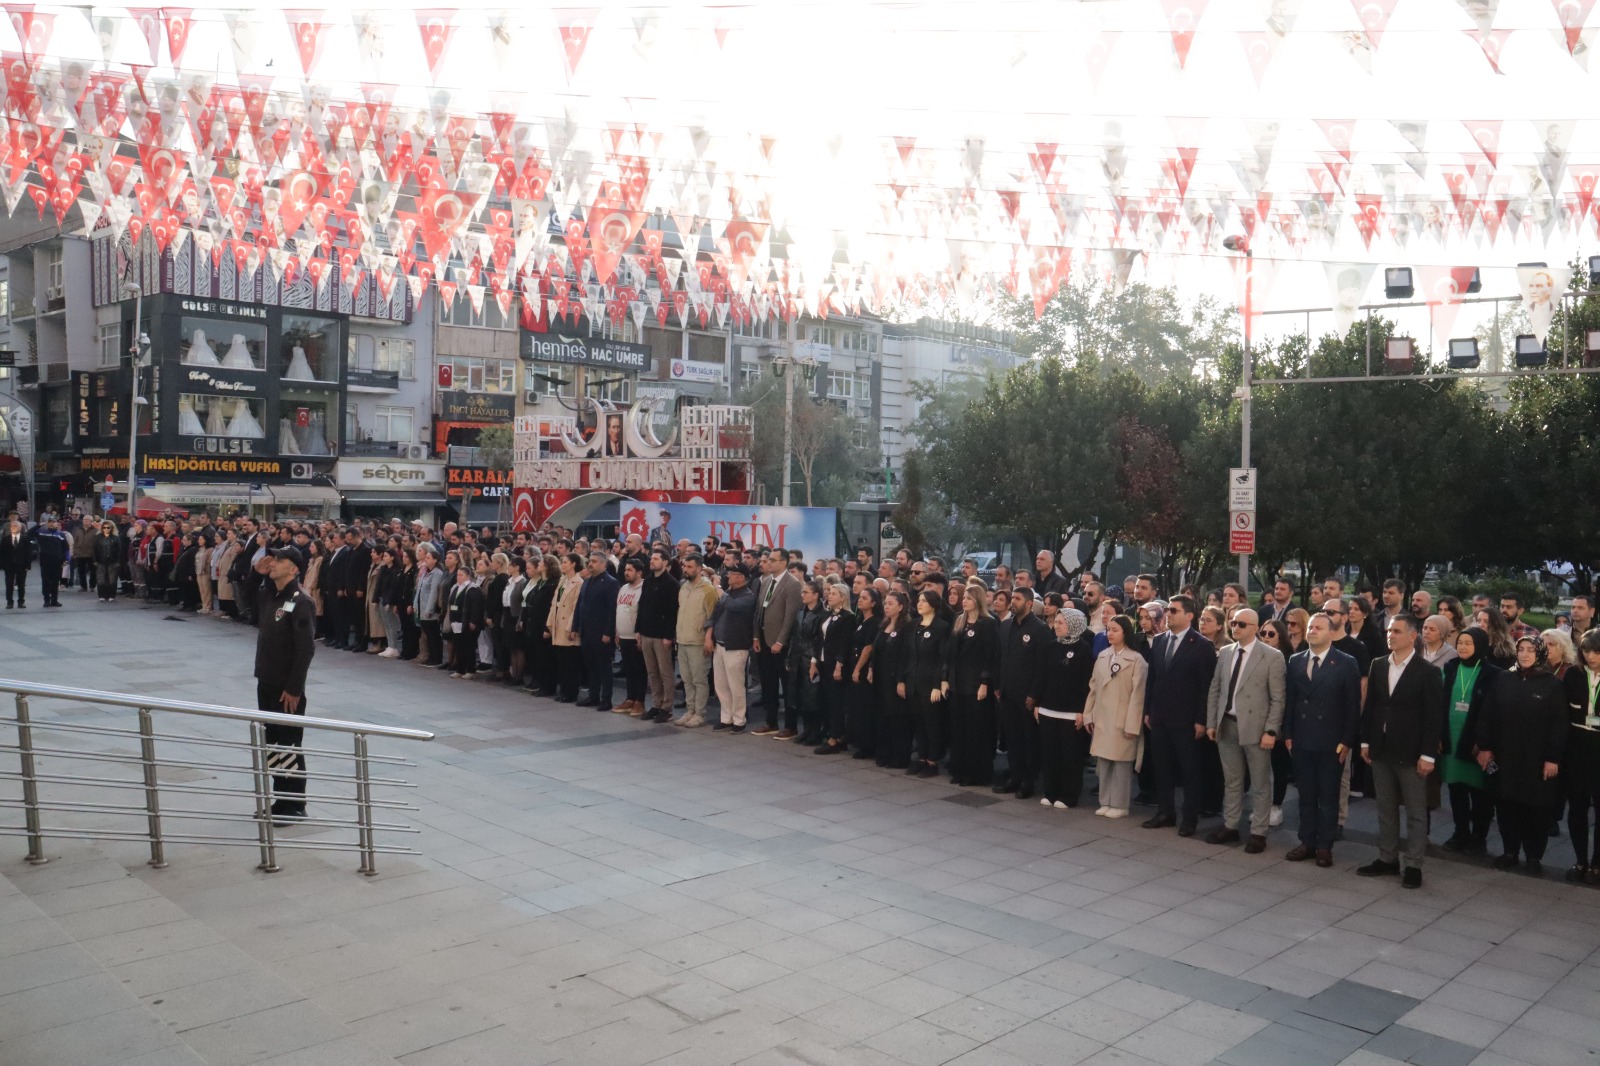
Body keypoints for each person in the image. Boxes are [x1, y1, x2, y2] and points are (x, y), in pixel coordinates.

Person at [1357, 615, 1445, 889]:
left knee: (1416, 812)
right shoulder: (1379, 664)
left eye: (1396, 631)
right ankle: (1387, 857)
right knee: (1385, 807)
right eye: (1389, 631)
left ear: (1412, 636)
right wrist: (1365, 742)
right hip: (1381, 749)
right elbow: (1372, 705)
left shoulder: (1427, 671)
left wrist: (1428, 755)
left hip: (1412, 752)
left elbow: (1434, 717)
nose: (1390, 635)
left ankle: (1414, 864)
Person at [1479, 635, 1567, 875]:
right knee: (1507, 805)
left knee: (1536, 809)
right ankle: (1510, 852)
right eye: (1521, 649)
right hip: (1506, 756)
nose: (1525, 654)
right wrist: (1485, 747)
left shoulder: (1552, 685)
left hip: (1537, 759)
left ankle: (1533, 856)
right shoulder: (1503, 678)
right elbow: (1487, 715)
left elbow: (1559, 725)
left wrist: (1553, 758)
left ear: (1539, 654)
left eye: (1530, 650)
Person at [1282, 613, 1361, 867]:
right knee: (1306, 794)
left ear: (1331, 632)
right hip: (1302, 739)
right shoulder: (1296, 660)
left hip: (1331, 741)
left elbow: (1352, 705)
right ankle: (1306, 841)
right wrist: (1289, 733)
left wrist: (1347, 740)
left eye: (1318, 628)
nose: (1312, 631)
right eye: (1311, 627)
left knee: (1328, 796)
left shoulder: (1346, 662)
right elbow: (1290, 701)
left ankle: (1325, 846)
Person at [1206, 609, 1286, 852]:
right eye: (1233, 623)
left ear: (1255, 627)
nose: (1235, 627)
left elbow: (1278, 698)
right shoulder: (1226, 652)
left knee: (1260, 783)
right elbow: (1216, 689)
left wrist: (1271, 730)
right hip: (1227, 724)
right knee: (1232, 780)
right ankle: (1230, 825)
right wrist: (1212, 722)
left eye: (1241, 624)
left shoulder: (1272, 656)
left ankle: (1258, 832)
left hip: (1255, 727)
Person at [1142, 594, 1217, 837]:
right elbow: (1152, 679)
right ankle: (1165, 812)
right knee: (1162, 768)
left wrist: (1201, 719)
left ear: (1189, 615)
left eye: (1174, 610)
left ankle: (1189, 818)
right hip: (1160, 717)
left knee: (1189, 771)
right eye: (1168, 610)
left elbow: (1206, 687)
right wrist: (1148, 710)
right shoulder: (1161, 640)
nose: (1169, 614)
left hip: (1186, 721)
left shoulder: (1202, 645)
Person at [252, 545, 315, 825]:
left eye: (280, 560)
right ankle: (281, 799)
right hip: (266, 681)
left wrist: (294, 688)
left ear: (294, 568)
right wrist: (257, 573)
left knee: (288, 744)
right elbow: (247, 597)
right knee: (273, 743)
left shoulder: (301, 600)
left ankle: (295, 804)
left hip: (285, 688)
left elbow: (305, 650)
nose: (273, 563)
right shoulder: (272, 595)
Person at [1438, 627, 1498, 855]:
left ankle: (1479, 837)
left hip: (1477, 744)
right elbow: (1439, 703)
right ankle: (1460, 831)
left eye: (1468, 643)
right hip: (1452, 740)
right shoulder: (1450, 668)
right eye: (1460, 642)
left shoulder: (1493, 673)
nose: (1462, 647)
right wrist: (1439, 734)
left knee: (1481, 794)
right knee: (1456, 790)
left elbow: (1493, 712)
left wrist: (1485, 744)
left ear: (1480, 647)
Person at [1084, 614, 1146, 819]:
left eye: (1115, 630)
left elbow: (1138, 695)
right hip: (1102, 717)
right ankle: (1105, 800)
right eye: (1108, 629)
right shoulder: (1102, 656)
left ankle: (1120, 804)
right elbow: (1092, 688)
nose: (1110, 633)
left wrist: (1132, 725)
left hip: (1122, 718)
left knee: (1121, 763)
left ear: (1125, 632)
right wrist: (1088, 715)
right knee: (1104, 763)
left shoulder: (1137, 660)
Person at [994, 588, 1049, 799]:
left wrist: (1034, 694)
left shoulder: (1040, 629)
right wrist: (998, 685)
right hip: (1007, 692)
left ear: (1028, 604)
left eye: (1017, 599)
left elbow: (1041, 666)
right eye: (1012, 598)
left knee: (1029, 740)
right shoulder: (1006, 625)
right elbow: (1000, 657)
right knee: (1013, 738)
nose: (1013, 602)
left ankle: (1028, 781)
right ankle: (1015, 777)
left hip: (1027, 695)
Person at [1038, 608, 1095, 808]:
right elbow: (1042, 676)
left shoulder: (1084, 649)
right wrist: (1037, 702)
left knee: (1070, 755)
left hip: (1071, 712)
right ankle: (1051, 791)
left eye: (1061, 623)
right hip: (1048, 708)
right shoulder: (1050, 646)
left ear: (1073, 625)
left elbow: (1085, 683)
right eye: (1057, 622)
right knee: (1050, 753)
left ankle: (1069, 795)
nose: (1056, 626)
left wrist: (1081, 710)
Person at [943, 584, 999, 784]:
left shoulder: (988, 624)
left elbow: (989, 655)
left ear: (978, 600)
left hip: (976, 683)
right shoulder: (960, 621)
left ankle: (976, 773)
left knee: (976, 729)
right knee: (958, 728)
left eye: (968, 597)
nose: (964, 600)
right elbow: (950, 654)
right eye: (964, 597)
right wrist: (945, 678)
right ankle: (959, 769)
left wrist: (985, 682)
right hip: (958, 682)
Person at [1563, 629, 1600, 883]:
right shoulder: (1574, 675)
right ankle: (1580, 860)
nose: (1591, 657)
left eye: (1597, 652)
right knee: (1576, 807)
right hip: (1576, 747)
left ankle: (1597, 863)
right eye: (1587, 651)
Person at [753, 548, 801, 736]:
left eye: (772, 560)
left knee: (787, 685)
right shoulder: (765, 582)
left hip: (781, 644)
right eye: (768, 560)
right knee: (768, 684)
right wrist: (756, 636)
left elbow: (790, 617)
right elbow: (759, 611)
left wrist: (780, 641)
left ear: (784, 562)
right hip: (764, 640)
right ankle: (770, 722)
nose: (768, 563)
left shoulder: (792, 584)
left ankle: (790, 726)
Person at [906, 589, 953, 779]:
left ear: (933, 605)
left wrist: (937, 683)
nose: (919, 604)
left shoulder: (941, 627)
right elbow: (908, 655)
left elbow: (943, 657)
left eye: (924, 601)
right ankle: (922, 758)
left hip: (930, 682)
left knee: (932, 723)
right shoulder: (914, 625)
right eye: (919, 600)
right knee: (918, 723)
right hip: (914, 680)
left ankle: (933, 761)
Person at [708, 563, 756, 732]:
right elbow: (716, 613)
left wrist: (718, 588)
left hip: (736, 646)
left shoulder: (748, 596)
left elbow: (732, 606)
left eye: (732, 574)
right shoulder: (729, 592)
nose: (728, 576)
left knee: (736, 686)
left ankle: (739, 720)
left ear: (741, 577)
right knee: (721, 685)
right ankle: (726, 717)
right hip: (720, 645)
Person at [813, 581, 860, 752]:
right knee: (827, 700)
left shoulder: (848, 617)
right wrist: (814, 661)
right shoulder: (827, 615)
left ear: (842, 598)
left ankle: (836, 737)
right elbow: (819, 639)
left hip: (836, 665)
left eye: (833, 594)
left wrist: (839, 665)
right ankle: (835, 733)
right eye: (829, 593)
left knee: (836, 702)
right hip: (824, 662)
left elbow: (844, 643)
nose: (829, 596)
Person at [674, 554, 719, 727]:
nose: (686, 569)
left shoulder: (708, 590)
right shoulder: (683, 586)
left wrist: (708, 638)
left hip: (698, 641)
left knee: (699, 680)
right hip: (683, 638)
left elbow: (712, 617)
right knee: (687, 679)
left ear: (700, 568)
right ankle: (690, 710)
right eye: (685, 566)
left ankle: (700, 713)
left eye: (690, 567)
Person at [634, 548, 678, 721]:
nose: (651, 561)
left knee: (665, 673)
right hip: (646, 632)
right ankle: (656, 704)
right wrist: (638, 629)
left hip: (661, 635)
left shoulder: (671, 583)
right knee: (652, 672)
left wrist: (669, 635)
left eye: (656, 559)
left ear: (665, 562)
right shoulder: (649, 580)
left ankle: (666, 708)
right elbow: (642, 605)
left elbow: (672, 612)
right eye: (651, 558)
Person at [872, 590, 913, 767]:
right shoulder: (884, 625)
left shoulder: (906, 628)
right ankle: (884, 752)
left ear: (901, 607)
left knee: (898, 718)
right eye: (885, 603)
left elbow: (906, 656)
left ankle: (900, 756)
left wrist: (901, 680)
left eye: (890, 603)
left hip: (896, 678)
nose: (886, 606)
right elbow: (877, 649)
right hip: (881, 677)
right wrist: (872, 667)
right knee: (882, 716)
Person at [575, 552, 619, 710]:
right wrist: (576, 627)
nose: (590, 564)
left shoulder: (611, 583)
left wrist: (608, 632)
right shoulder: (587, 582)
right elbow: (580, 606)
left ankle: (606, 699)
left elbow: (612, 610)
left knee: (604, 667)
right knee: (591, 666)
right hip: (587, 631)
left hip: (601, 632)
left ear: (603, 564)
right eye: (589, 561)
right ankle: (593, 696)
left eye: (594, 561)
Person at [786, 578, 825, 742]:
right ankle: (807, 729)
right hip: (798, 656)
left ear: (816, 595)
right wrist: (789, 657)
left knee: (813, 696)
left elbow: (820, 640)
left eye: (806, 592)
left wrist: (814, 661)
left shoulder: (821, 614)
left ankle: (815, 731)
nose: (802, 595)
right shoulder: (801, 611)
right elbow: (794, 635)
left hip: (811, 658)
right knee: (800, 694)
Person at [848, 587, 882, 759]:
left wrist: (857, 669)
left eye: (864, 598)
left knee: (865, 707)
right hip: (855, 663)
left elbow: (868, 648)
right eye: (859, 597)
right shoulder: (861, 620)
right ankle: (860, 741)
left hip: (862, 668)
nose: (860, 600)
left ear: (874, 603)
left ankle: (867, 745)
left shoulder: (875, 622)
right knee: (857, 707)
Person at [546, 553, 584, 702]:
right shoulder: (562, 581)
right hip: (557, 624)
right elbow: (554, 603)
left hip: (568, 625)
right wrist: (550, 622)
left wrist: (571, 627)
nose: (563, 565)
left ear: (573, 564)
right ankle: (563, 690)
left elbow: (576, 607)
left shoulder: (578, 582)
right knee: (561, 661)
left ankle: (571, 692)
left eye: (565, 562)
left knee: (570, 662)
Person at [614, 557, 646, 715]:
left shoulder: (644, 588)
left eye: (630, 570)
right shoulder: (624, 588)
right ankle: (629, 699)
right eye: (625, 570)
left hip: (636, 637)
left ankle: (640, 701)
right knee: (629, 670)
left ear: (639, 572)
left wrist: (640, 632)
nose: (626, 573)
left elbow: (643, 613)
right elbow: (619, 609)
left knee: (639, 670)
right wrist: (617, 631)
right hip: (624, 635)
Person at [446, 560, 485, 679]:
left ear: (468, 576)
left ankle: (470, 669)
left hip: (467, 622)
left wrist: (473, 621)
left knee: (468, 647)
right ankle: (460, 669)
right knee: (458, 646)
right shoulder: (455, 587)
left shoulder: (473, 589)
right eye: (457, 575)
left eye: (461, 575)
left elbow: (476, 607)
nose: (458, 577)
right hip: (455, 622)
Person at [33, 515, 69, 608]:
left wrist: (66, 559)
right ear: (47, 523)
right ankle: (46, 600)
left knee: (55, 581)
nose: (51, 524)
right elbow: (29, 534)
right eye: (50, 522)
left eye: (53, 522)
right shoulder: (41, 532)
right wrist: (38, 525)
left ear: (57, 524)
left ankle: (54, 600)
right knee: (46, 581)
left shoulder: (61, 534)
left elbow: (66, 549)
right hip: (45, 560)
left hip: (57, 561)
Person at [1, 513, 34, 608]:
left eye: (16, 526)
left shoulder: (25, 539)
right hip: (9, 565)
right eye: (12, 526)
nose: (14, 527)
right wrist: (2, 565)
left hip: (21, 565)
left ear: (20, 528)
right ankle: (9, 602)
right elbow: (2, 553)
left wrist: (28, 565)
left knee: (21, 585)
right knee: (9, 585)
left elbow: (28, 553)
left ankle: (21, 601)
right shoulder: (5, 539)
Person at [93, 519, 122, 601]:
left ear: (112, 528)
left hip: (112, 561)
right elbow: (94, 549)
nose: (106, 529)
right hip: (100, 561)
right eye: (104, 527)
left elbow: (119, 551)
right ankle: (101, 595)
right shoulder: (98, 537)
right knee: (101, 579)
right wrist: (94, 560)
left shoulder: (116, 538)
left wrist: (118, 562)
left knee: (112, 579)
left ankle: (111, 595)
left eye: (108, 527)